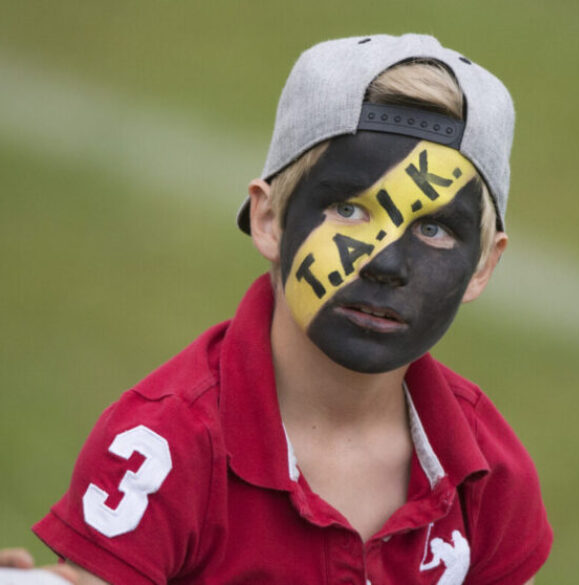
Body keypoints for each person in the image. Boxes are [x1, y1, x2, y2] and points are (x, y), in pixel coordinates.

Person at [18, 34, 551, 585]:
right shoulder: (164, 448)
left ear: (484, 265)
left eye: (434, 229)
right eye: (349, 210)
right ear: (269, 218)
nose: (386, 264)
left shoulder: (489, 472)